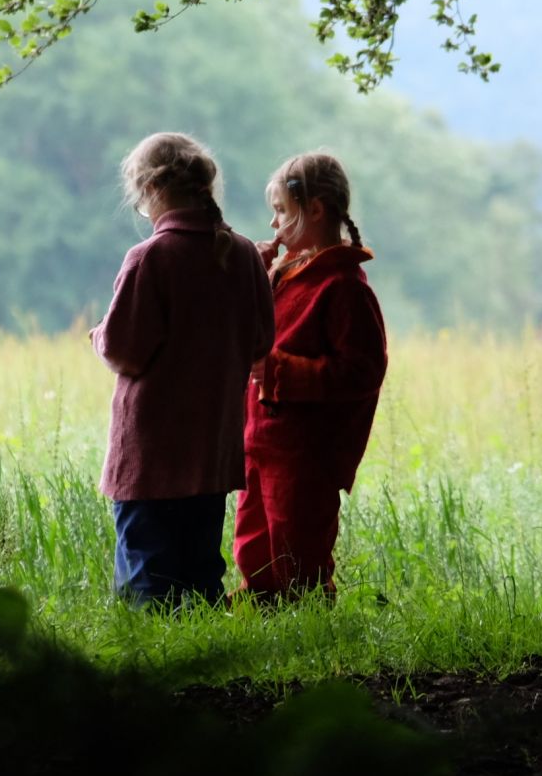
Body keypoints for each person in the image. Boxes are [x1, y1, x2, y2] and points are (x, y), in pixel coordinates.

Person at [91, 132, 275, 608]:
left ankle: (155, 672)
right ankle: (205, 669)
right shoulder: (242, 255)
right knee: (199, 578)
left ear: (149, 189)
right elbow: (260, 342)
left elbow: (124, 350)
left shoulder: (151, 257)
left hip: (151, 455)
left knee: (146, 584)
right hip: (210, 452)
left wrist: (98, 336)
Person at [233, 152, 387, 601]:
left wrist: (279, 369)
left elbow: (361, 372)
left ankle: (307, 613)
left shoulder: (343, 287)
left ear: (315, 210)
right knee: (253, 537)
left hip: (306, 449)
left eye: (282, 209)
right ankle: (259, 605)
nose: (273, 221)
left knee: (298, 542)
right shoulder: (283, 275)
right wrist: (256, 278)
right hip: (259, 438)